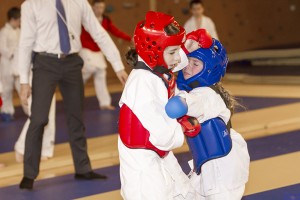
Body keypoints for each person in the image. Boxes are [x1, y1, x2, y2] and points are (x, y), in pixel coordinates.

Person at [18, 0, 128, 190]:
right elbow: (25, 42)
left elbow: (98, 32)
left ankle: (83, 168)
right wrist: (24, 80)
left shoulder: (79, 2)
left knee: (76, 118)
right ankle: (29, 173)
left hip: (72, 63)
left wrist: (117, 65)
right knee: (38, 119)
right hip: (44, 63)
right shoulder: (31, 4)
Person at [118, 11, 198, 200]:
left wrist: (189, 45)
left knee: (186, 194)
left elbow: (176, 59)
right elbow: (164, 137)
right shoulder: (141, 84)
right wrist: (182, 126)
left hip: (159, 156)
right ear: (152, 51)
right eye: (173, 52)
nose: (178, 58)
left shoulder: (154, 70)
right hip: (144, 168)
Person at [175, 31, 250, 199]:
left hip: (222, 173)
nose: (188, 67)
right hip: (207, 168)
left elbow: (178, 106)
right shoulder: (195, 91)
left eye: (196, 63)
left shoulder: (206, 95)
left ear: (209, 69)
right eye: (187, 62)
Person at [80, 0, 132, 110]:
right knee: (88, 70)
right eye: (97, 7)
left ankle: (104, 103)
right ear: (92, 8)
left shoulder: (106, 20)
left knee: (101, 74)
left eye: (101, 7)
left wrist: (130, 38)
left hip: (98, 51)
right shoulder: (84, 18)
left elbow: (116, 31)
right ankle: (75, 92)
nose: (99, 9)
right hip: (85, 50)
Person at [0, 7, 21, 122]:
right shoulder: (4, 32)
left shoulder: (19, 31)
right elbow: (2, 48)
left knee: (21, 86)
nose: (19, 22)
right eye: (18, 20)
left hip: (17, 64)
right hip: (7, 64)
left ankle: (29, 109)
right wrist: (13, 52)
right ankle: (6, 111)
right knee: (7, 89)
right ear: (12, 19)